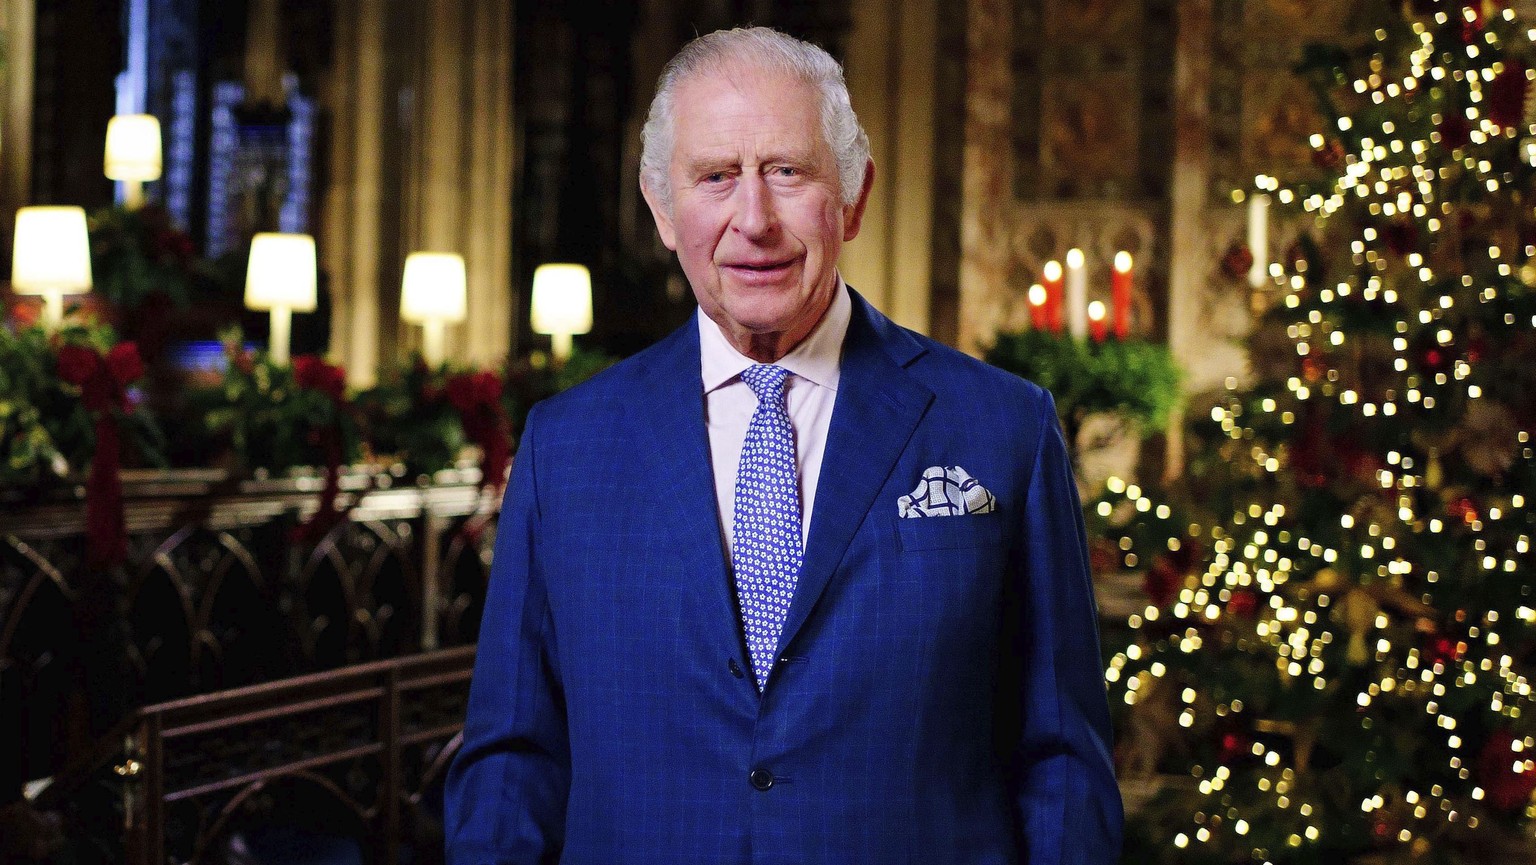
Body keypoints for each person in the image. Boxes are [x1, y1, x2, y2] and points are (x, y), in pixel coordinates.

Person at [445, 26, 1122, 864]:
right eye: (716, 176)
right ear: (660, 206)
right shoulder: (566, 446)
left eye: (788, 172)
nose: (753, 219)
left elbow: (1061, 761)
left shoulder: (1002, 427)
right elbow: (513, 762)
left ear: (856, 197)